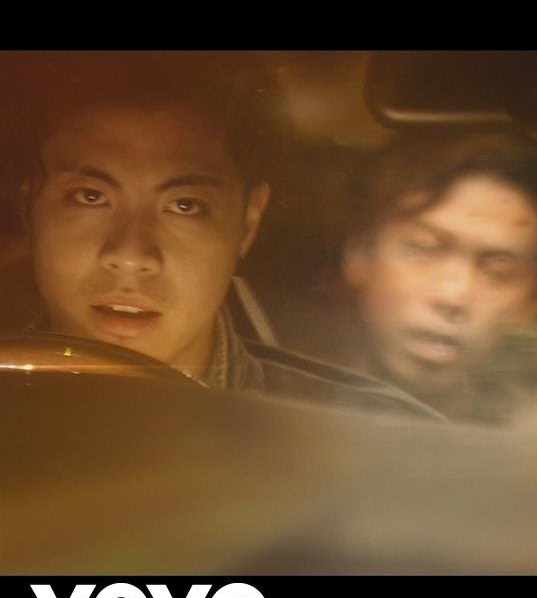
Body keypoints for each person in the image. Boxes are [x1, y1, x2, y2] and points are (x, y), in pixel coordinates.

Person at [2, 52, 442, 421]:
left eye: (185, 206)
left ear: (247, 223)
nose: (132, 255)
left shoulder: (377, 440)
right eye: (90, 197)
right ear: (30, 206)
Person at [338, 133, 537, 424]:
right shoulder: (287, 404)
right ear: (359, 254)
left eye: (498, 270)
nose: (453, 296)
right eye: (424, 248)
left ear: (534, 298)